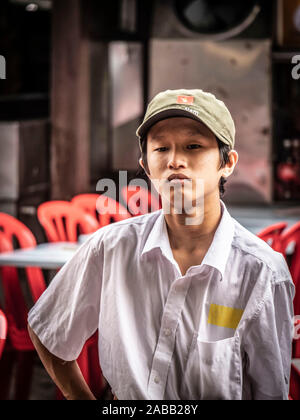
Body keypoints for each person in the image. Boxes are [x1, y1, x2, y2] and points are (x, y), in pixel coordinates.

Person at [27, 88, 295, 400]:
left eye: (193, 146)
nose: (175, 161)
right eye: (161, 148)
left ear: (227, 163)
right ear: (145, 163)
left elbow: (271, 391)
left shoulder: (261, 271)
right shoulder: (111, 247)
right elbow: (48, 330)